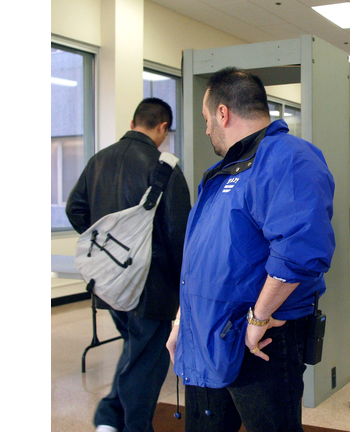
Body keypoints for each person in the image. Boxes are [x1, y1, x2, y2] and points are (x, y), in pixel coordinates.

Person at [165, 67, 335, 432]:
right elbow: (201, 257)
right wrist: (183, 320)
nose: (207, 128)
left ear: (223, 113)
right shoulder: (222, 171)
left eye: (207, 119)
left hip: (261, 337)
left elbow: (300, 252)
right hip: (208, 335)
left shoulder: (289, 157)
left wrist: (258, 318)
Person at [66, 98, 191, 432]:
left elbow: (75, 209)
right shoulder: (163, 167)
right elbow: (179, 232)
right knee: (146, 363)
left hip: (109, 283)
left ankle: (108, 419)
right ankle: (132, 426)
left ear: (135, 122)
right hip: (151, 288)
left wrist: (106, 247)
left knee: (135, 349)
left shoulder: (98, 160)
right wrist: (185, 288)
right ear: (163, 127)